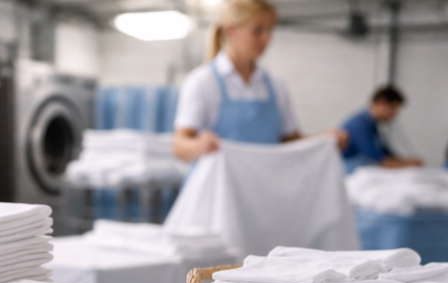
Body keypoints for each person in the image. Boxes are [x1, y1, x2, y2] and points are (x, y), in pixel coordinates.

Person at [173, 0, 345, 164]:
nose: (267, 38)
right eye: (257, 30)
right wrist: (198, 146)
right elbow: (179, 145)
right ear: (231, 31)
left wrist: (323, 140)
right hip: (218, 184)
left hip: (264, 182)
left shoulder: (276, 84)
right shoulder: (202, 82)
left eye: (270, 30)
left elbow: (289, 140)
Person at [341, 85, 423, 174]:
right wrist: (407, 164)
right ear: (382, 104)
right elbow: (380, 160)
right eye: (394, 109)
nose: (395, 114)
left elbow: (384, 152)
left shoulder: (371, 124)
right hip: (348, 174)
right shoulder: (359, 125)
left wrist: (404, 161)